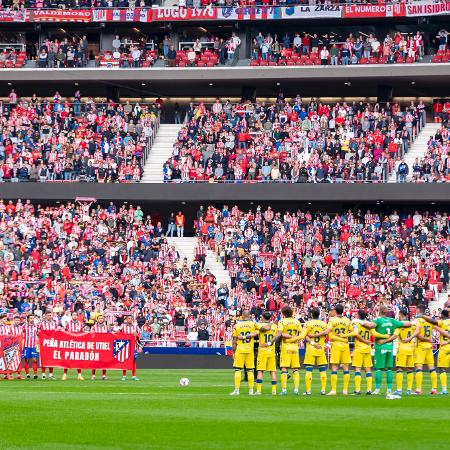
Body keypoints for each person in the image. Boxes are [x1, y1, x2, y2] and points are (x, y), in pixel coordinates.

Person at [362, 304, 412, 395]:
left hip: (380, 347)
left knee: (379, 368)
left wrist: (360, 321)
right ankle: (389, 389)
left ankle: (377, 389)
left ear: (379, 311)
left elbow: (370, 325)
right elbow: (408, 323)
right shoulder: (393, 321)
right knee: (389, 368)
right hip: (390, 347)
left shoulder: (377, 320)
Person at [352, 309, 387, 395]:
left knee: (358, 369)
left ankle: (357, 390)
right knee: (368, 370)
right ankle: (369, 390)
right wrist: (385, 336)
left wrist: (363, 340)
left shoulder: (356, 323)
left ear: (358, 315)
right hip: (367, 349)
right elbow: (375, 334)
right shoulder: (369, 325)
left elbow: (356, 334)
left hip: (359, 349)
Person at [299, 307, 329, 395]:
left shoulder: (307, 324)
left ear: (311, 314)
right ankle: (323, 390)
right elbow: (327, 333)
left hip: (310, 349)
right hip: (320, 348)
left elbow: (304, 336)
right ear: (319, 314)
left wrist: (312, 342)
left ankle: (308, 391)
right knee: (322, 370)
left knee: (309, 370)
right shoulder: (324, 324)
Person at [327, 304, 355, 396]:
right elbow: (353, 332)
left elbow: (329, 333)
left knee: (334, 367)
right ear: (343, 310)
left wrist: (338, 338)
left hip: (336, 345)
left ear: (335, 311)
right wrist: (344, 338)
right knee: (346, 368)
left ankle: (334, 390)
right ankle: (345, 390)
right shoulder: (347, 320)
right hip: (345, 345)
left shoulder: (332, 320)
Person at [422, 309, 450, 394]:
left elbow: (432, 321)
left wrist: (423, 316)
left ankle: (444, 390)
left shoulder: (442, 322)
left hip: (444, 347)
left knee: (442, 368)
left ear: (442, 315)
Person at [230, 310, 257, 396]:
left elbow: (234, 341)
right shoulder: (253, 324)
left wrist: (233, 352)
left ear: (242, 315)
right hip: (250, 350)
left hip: (240, 349)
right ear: (249, 315)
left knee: (238, 370)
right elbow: (260, 331)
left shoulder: (237, 325)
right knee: (250, 370)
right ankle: (251, 390)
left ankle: (237, 390)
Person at [413, 304, 438, 395]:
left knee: (419, 368)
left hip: (421, 346)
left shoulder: (418, 320)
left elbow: (418, 335)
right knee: (432, 368)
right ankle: (434, 389)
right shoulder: (429, 321)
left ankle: (419, 389)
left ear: (418, 310)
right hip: (429, 346)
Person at [393, 308, 419, 396]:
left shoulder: (400, 325)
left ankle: (399, 390)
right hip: (411, 349)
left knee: (399, 369)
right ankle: (409, 390)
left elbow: (395, 335)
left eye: (399, 314)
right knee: (409, 369)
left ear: (401, 314)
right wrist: (411, 338)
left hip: (402, 349)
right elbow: (418, 331)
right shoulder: (412, 324)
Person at [277, 305, 302, 395]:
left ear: (283, 313)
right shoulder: (297, 322)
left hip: (285, 347)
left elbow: (281, 333)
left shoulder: (282, 321)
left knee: (284, 369)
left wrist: (289, 337)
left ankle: (284, 390)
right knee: (295, 370)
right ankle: (296, 390)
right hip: (295, 347)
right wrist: (295, 337)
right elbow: (302, 333)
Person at [255, 312, 278, 395]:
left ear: (263, 318)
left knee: (260, 371)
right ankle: (274, 391)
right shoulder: (275, 326)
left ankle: (258, 390)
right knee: (272, 371)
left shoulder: (259, 325)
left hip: (262, 351)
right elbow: (276, 336)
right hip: (271, 351)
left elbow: (263, 329)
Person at [62, 312, 84, 381]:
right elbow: (64, 333)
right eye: (73, 315)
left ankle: (79, 375)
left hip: (77, 344)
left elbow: (82, 333)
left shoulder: (80, 324)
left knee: (78, 359)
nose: (74, 316)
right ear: (71, 316)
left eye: (75, 315)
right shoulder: (68, 324)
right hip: (70, 343)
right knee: (67, 358)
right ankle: (65, 374)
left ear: (77, 316)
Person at [38, 310, 58, 380]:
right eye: (48, 315)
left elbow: (56, 332)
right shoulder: (41, 323)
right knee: (44, 358)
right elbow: (38, 333)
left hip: (52, 343)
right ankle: (43, 374)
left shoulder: (54, 323)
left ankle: (50, 374)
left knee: (51, 359)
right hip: (44, 344)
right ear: (45, 315)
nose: (50, 316)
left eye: (51, 315)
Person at [120, 315, 141, 381]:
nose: (129, 320)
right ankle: (124, 376)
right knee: (125, 361)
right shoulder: (123, 326)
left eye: (130, 318)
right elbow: (118, 334)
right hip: (125, 346)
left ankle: (134, 376)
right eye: (128, 318)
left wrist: (136, 335)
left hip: (133, 346)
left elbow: (139, 336)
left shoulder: (135, 327)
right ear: (126, 319)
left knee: (133, 361)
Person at [91, 315, 109, 381]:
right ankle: (93, 375)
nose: (101, 319)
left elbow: (109, 336)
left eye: (102, 318)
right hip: (96, 345)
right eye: (99, 318)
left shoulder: (106, 327)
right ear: (97, 319)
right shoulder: (93, 327)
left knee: (104, 361)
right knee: (95, 361)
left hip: (104, 346)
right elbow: (91, 335)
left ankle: (104, 375)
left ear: (103, 319)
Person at [22, 314, 39, 380]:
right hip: (26, 346)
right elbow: (20, 334)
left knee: (34, 360)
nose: (32, 319)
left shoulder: (36, 326)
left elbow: (39, 333)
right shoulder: (24, 326)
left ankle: (35, 374)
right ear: (28, 319)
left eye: (33, 318)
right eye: (31, 318)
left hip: (33, 346)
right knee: (27, 360)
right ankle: (27, 374)